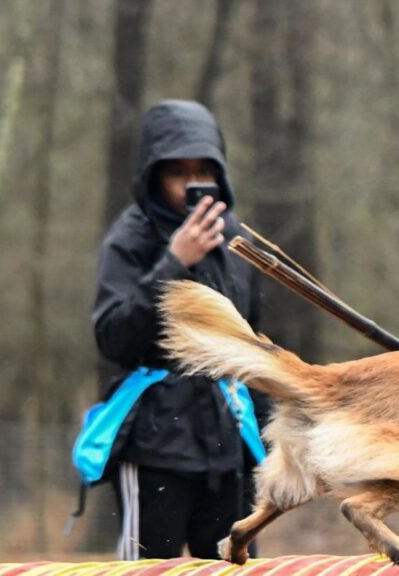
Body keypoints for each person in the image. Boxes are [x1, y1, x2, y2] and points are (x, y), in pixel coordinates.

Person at [92, 99, 267, 560]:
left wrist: (274, 437)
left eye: (203, 172)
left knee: (237, 566)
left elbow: (254, 345)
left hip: (230, 442)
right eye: (178, 173)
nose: (193, 186)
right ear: (153, 176)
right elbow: (114, 338)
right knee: (149, 571)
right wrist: (173, 263)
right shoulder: (129, 239)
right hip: (154, 447)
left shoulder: (236, 242)